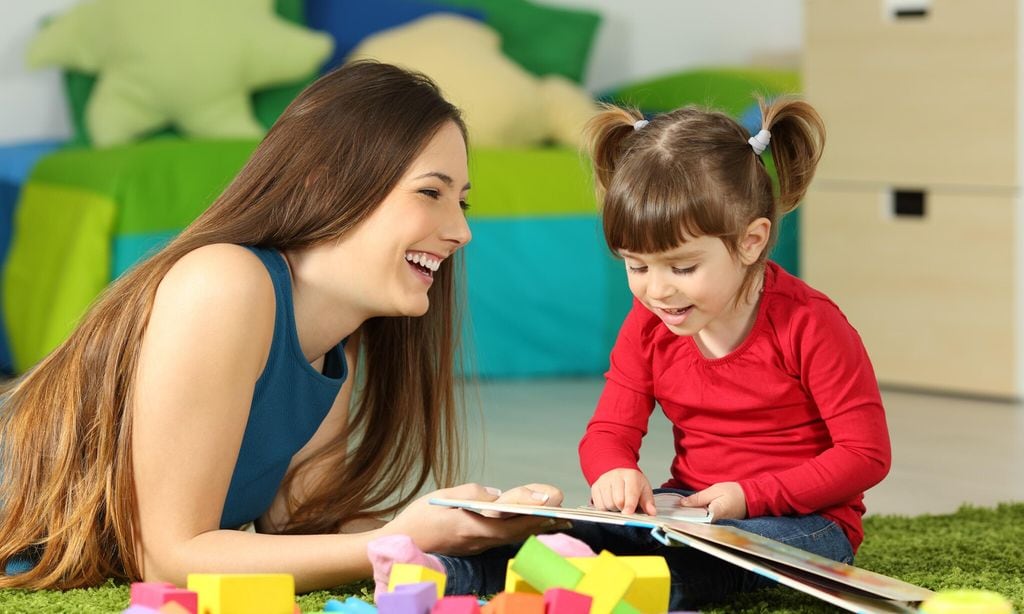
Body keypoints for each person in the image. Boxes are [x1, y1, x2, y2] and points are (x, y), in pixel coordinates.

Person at [0, 60, 565, 591]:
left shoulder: (330, 346)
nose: (460, 232)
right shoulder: (224, 282)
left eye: (461, 202)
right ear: (324, 182)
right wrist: (396, 539)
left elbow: (304, 526)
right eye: (430, 192)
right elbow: (169, 559)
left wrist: (466, 525)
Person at [574, 98, 893, 609]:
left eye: (681, 268)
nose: (657, 292)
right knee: (567, 542)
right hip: (694, 513)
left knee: (687, 569)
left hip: (807, 524)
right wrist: (612, 471)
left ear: (750, 241)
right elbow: (609, 430)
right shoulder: (649, 326)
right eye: (637, 267)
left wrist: (748, 498)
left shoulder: (811, 324)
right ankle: (453, 571)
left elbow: (866, 455)